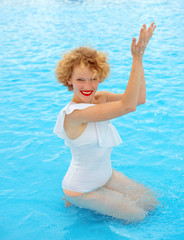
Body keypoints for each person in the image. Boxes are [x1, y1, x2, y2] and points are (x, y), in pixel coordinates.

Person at [53, 23, 158, 222]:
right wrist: (135, 58)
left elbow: (139, 98)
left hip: (106, 177)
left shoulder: (100, 98)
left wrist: (141, 57)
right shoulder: (73, 114)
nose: (88, 86)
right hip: (80, 189)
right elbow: (128, 106)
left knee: (152, 203)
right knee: (137, 216)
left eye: (93, 79)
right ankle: (73, 201)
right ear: (69, 80)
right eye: (80, 80)